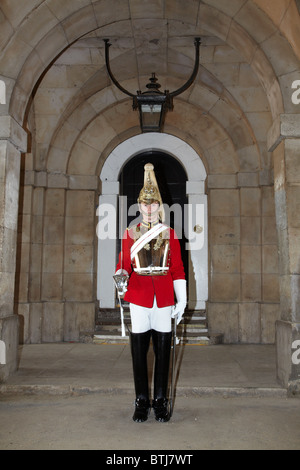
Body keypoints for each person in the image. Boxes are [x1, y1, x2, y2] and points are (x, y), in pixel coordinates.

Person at [115, 163, 186, 423]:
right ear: (139, 205)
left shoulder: (170, 233)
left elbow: (177, 269)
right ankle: (141, 400)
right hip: (140, 295)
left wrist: (183, 299)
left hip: (165, 295)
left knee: (163, 349)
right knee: (139, 349)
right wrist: (120, 278)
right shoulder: (130, 233)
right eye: (145, 204)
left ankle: (161, 400)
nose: (149, 208)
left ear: (159, 205)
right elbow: (123, 265)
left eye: (153, 203)